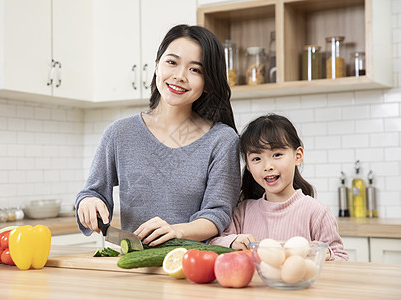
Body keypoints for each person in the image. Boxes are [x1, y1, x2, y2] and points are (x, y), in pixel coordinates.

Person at [75, 24, 241, 246]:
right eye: (172, 62)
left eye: (195, 70)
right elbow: (93, 192)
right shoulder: (119, 133)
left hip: (194, 267)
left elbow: (217, 214)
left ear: (208, 83)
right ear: (156, 66)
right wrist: (88, 201)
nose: (180, 76)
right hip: (135, 265)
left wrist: (175, 231)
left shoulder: (222, 139)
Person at [209, 113, 349, 261]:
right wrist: (232, 242)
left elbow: (341, 259)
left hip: (300, 284)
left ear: (298, 156)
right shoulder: (242, 212)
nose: (268, 166)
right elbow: (213, 243)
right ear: (248, 167)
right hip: (254, 284)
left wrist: (325, 254)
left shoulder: (317, 213)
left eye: (276, 155)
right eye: (257, 159)